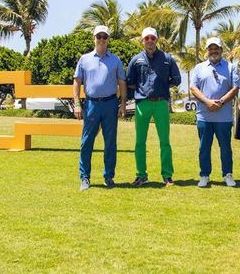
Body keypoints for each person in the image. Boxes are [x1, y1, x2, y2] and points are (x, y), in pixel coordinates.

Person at [73, 25, 127, 191]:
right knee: (87, 141)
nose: (102, 39)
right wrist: (76, 103)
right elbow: (77, 82)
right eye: (99, 36)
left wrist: (123, 104)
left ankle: (109, 176)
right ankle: (85, 177)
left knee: (110, 142)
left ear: (108, 39)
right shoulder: (84, 59)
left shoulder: (115, 60)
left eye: (105, 36)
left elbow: (122, 83)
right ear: (94, 39)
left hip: (110, 104)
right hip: (91, 104)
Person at [127, 27, 181, 187]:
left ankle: (167, 175)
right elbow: (130, 81)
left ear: (156, 40)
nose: (149, 41)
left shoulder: (167, 58)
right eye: (146, 38)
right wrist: (142, 90)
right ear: (142, 41)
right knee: (139, 142)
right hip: (142, 104)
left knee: (164, 141)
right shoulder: (136, 60)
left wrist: (163, 87)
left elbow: (176, 79)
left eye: (152, 38)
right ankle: (141, 175)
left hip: (161, 104)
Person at [189, 37, 240, 187]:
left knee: (225, 147)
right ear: (207, 51)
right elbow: (193, 88)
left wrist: (221, 102)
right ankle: (204, 175)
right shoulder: (199, 68)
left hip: (223, 117)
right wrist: (207, 101)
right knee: (204, 147)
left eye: (216, 48)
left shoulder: (231, 67)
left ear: (221, 50)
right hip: (204, 115)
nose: (213, 51)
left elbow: (235, 88)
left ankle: (227, 174)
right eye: (210, 48)